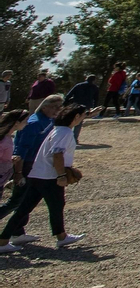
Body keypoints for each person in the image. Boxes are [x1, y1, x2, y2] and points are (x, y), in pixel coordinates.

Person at [0, 102, 90, 252]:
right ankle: (61, 237)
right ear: (76, 116)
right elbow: (57, 154)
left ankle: (3, 240)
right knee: (56, 205)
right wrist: (61, 175)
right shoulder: (65, 133)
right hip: (49, 176)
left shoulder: (58, 129)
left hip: (38, 174)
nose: (83, 119)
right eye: (83, 116)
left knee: (24, 208)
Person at [0, 109, 28, 218]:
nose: (27, 123)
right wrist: (11, 161)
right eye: (25, 120)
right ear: (17, 123)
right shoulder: (4, 140)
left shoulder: (6, 138)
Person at [63, 75, 99, 141]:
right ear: (94, 80)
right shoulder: (95, 87)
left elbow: (69, 94)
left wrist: (65, 103)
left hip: (75, 105)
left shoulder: (79, 85)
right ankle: (74, 138)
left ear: (86, 79)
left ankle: (67, 137)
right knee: (79, 121)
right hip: (86, 106)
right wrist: (94, 107)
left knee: (70, 120)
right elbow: (96, 99)